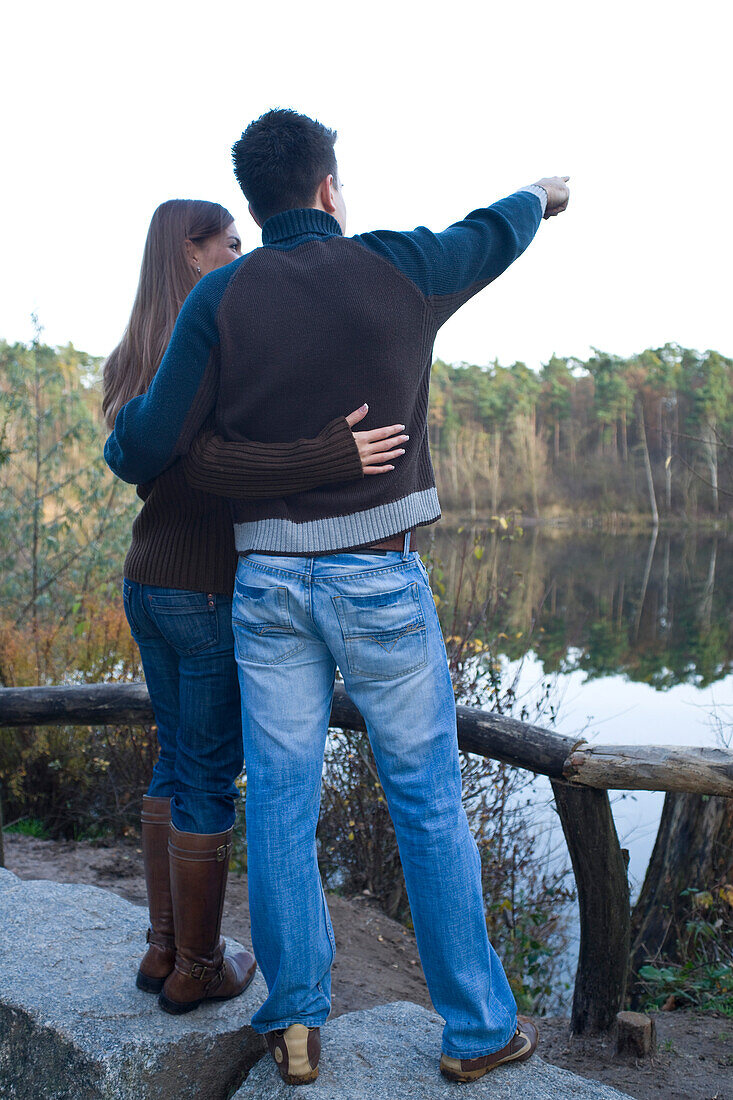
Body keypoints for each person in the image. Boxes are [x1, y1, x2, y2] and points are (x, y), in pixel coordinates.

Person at [105, 111, 569, 1083]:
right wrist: (539, 198)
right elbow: (489, 233)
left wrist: (122, 432)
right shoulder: (394, 266)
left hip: (267, 581)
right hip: (378, 577)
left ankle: (297, 1019)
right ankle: (479, 1027)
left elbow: (145, 444)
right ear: (325, 188)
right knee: (428, 802)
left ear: (258, 200)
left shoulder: (221, 295)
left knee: (278, 800)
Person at [103, 197, 408, 1015]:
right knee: (206, 774)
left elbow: (138, 453)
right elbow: (207, 464)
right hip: (203, 585)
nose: (244, 258)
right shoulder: (208, 349)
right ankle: (199, 967)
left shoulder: (135, 352)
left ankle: (163, 947)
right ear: (189, 254)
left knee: (173, 760)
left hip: (147, 579)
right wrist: (327, 454)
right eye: (229, 245)